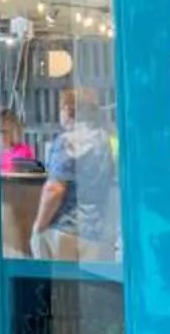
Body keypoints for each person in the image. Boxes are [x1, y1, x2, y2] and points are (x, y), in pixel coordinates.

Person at [29, 90, 117, 263]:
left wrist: (38, 226)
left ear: (68, 110)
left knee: (62, 286)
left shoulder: (66, 141)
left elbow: (55, 189)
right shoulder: (104, 140)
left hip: (67, 229)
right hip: (99, 231)